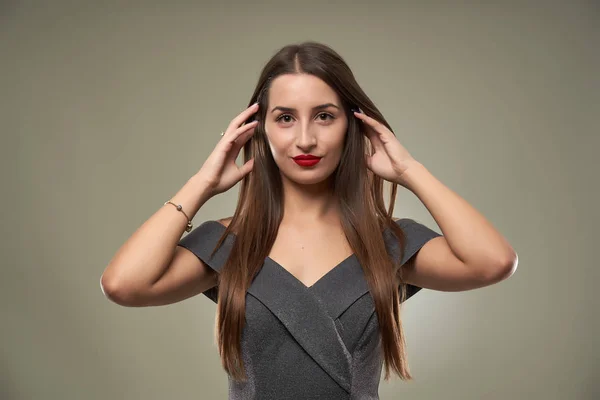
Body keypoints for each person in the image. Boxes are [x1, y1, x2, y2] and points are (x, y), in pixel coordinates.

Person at [100, 42, 518, 399]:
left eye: (324, 116)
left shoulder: (388, 242)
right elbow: (123, 284)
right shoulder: (228, 243)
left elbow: (493, 262)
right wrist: (203, 182)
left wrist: (409, 170)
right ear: (258, 129)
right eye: (285, 118)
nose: (304, 139)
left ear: (351, 126)